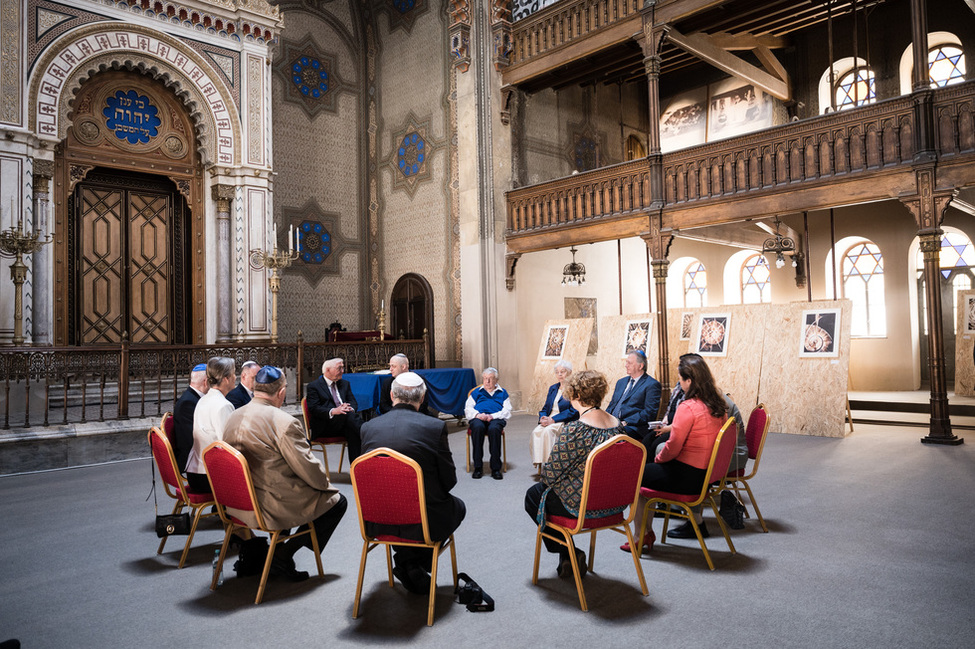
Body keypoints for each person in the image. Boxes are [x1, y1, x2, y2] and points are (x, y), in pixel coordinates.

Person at [222, 366, 347, 581]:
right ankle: (283, 554)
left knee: (292, 485)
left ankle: (279, 553)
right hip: (270, 505)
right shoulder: (284, 422)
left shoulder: (233, 416)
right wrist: (327, 486)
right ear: (281, 393)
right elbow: (308, 468)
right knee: (337, 502)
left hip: (236, 502)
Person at [360, 372, 465, 595]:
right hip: (421, 522)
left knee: (400, 506)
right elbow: (449, 481)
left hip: (376, 519)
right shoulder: (433, 427)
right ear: (422, 398)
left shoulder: (368, 428)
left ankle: (408, 563)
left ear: (391, 395)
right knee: (457, 507)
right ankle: (410, 563)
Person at [525, 370, 624, 578]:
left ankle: (567, 551)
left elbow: (550, 476)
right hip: (615, 502)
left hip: (582, 504)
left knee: (534, 495)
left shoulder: (575, 430)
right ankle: (567, 554)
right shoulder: (618, 426)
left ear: (575, 396)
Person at [632, 355, 728, 551]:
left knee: (638, 475)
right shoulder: (718, 406)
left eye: (681, 379)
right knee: (648, 471)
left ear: (690, 381)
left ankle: (640, 536)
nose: (680, 383)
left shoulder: (688, 407)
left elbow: (672, 447)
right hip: (706, 476)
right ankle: (645, 533)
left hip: (688, 477)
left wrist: (658, 459)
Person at [184, 357, 236, 493]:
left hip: (195, 472)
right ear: (226, 379)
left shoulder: (204, 399)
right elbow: (229, 446)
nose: (236, 377)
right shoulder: (223, 405)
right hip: (208, 476)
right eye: (234, 374)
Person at [305, 358, 363, 461]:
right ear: (328, 370)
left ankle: (356, 469)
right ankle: (367, 431)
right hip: (325, 425)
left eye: (343, 368)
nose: (343, 371)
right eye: (339, 368)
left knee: (352, 431)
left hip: (345, 423)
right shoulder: (314, 386)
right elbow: (314, 409)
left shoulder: (344, 384)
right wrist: (334, 411)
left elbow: (353, 402)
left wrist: (350, 408)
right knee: (350, 419)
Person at [529, 360, 579, 471]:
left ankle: (550, 465)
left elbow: (573, 411)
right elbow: (546, 407)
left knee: (547, 432)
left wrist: (553, 419)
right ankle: (540, 461)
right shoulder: (553, 388)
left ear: (569, 373)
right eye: (557, 372)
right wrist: (542, 417)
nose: (560, 374)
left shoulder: (573, 389)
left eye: (563, 372)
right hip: (549, 418)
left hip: (562, 420)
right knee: (536, 432)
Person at [464, 367, 511, 480]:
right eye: (485, 379)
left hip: (496, 418)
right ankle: (478, 467)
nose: (487, 382)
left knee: (494, 429)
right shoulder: (477, 392)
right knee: (478, 427)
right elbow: (468, 408)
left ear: (496, 380)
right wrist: (478, 415)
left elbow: (507, 411)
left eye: (490, 379)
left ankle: (495, 469)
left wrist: (492, 416)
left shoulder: (502, 393)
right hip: (479, 417)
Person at [606, 350, 662, 441]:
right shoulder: (621, 382)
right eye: (626, 362)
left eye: (629, 363)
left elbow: (649, 413)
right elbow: (612, 404)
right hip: (613, 423)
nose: (626, 365)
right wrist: (604, 418)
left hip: (633, 427)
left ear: (641, 366)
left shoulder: (651, 385)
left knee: (609, 435)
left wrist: (627, 422)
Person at [172, 363, 207, 473]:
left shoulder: (193, 398)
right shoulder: (188, 402)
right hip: (192, 462)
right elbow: (192, 438)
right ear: (206, 382)